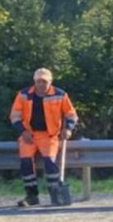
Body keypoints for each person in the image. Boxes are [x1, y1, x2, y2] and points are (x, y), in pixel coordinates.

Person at [9, 68, 78, 207]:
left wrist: (68, 129)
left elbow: (71, 114)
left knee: (50, 163)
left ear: (50, 82)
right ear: (34, 82)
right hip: (29, 135)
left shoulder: (60, 94)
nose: (41, 84)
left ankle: (55, 195)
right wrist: (23, 132)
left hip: (49, 136)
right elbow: (15, 116)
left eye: (44, 81)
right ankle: (32, 196)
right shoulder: (23, 95)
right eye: (38, 81)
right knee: (26, 163)